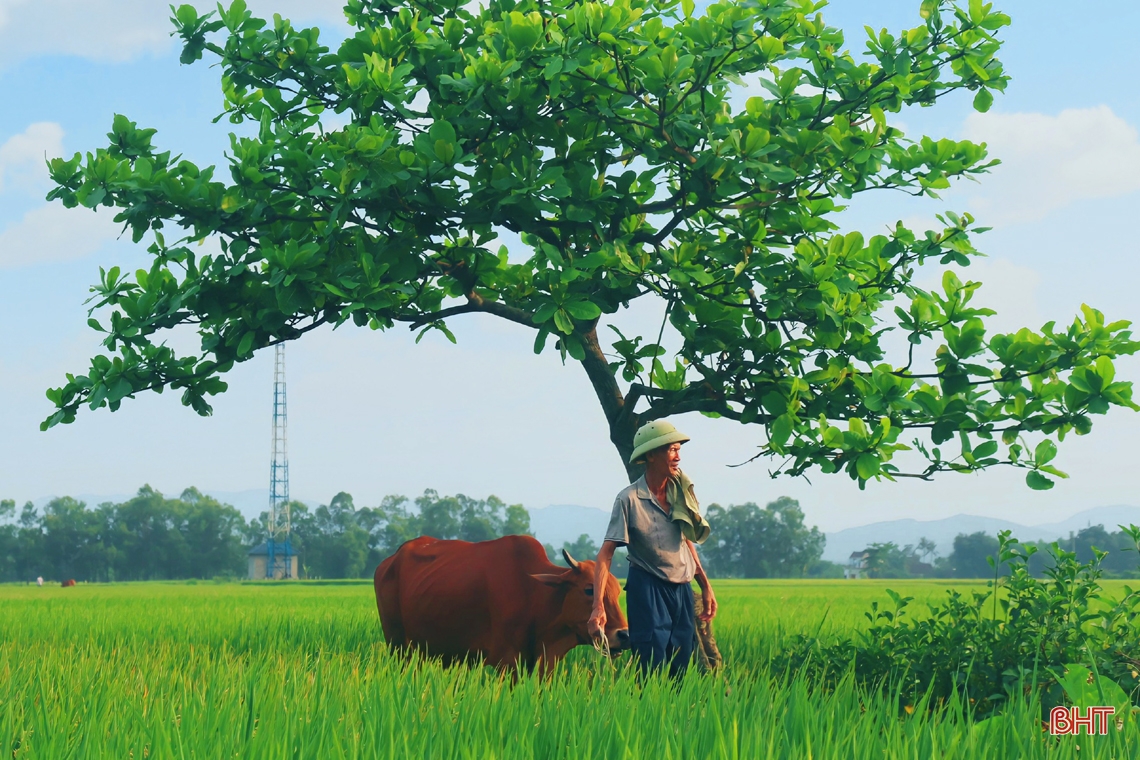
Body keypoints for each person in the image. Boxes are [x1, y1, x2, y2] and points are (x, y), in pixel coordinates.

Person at [587, 419, 717, 678]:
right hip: (648, 587)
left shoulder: (679, 493)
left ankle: (675, 714)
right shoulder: (629, 499)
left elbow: (685, 541)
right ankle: (648, 711)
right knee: (652, 660)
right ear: (651, 456)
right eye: (672, 450)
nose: (678, 457)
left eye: (679, 450)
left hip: (681, 588)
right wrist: (597, 606)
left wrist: (704, 585)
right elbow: (606, 553)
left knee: (682, 658)